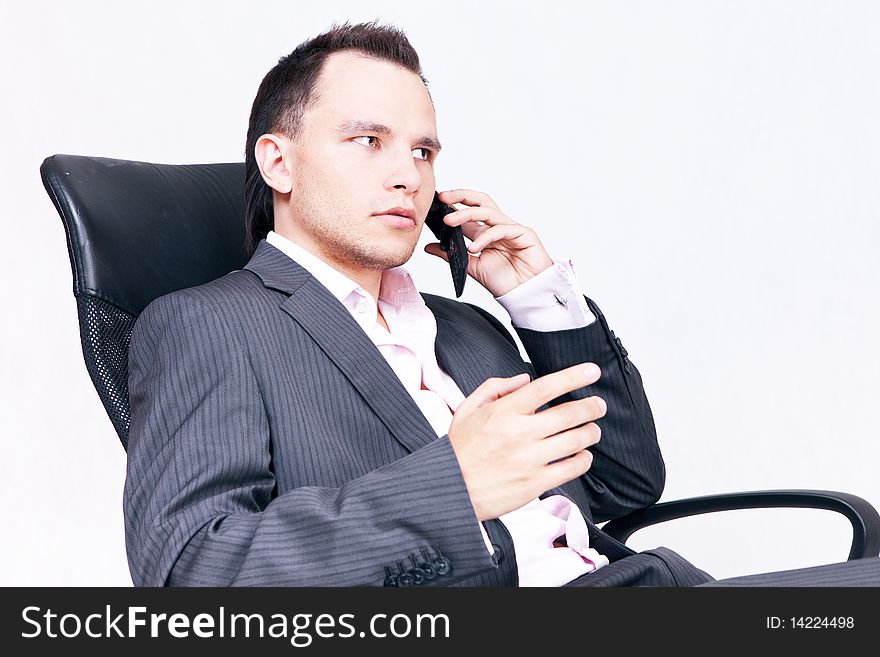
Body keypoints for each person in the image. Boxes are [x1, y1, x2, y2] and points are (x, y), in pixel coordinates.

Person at [123, 21, 880, 587]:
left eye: (423, 151)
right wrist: (456, 483)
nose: (407, 176)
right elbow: (190, 573)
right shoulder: (211, 324)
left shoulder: (467, 329)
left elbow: (626, 485)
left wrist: (539, 301)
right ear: (278, 161)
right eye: (368, 140)